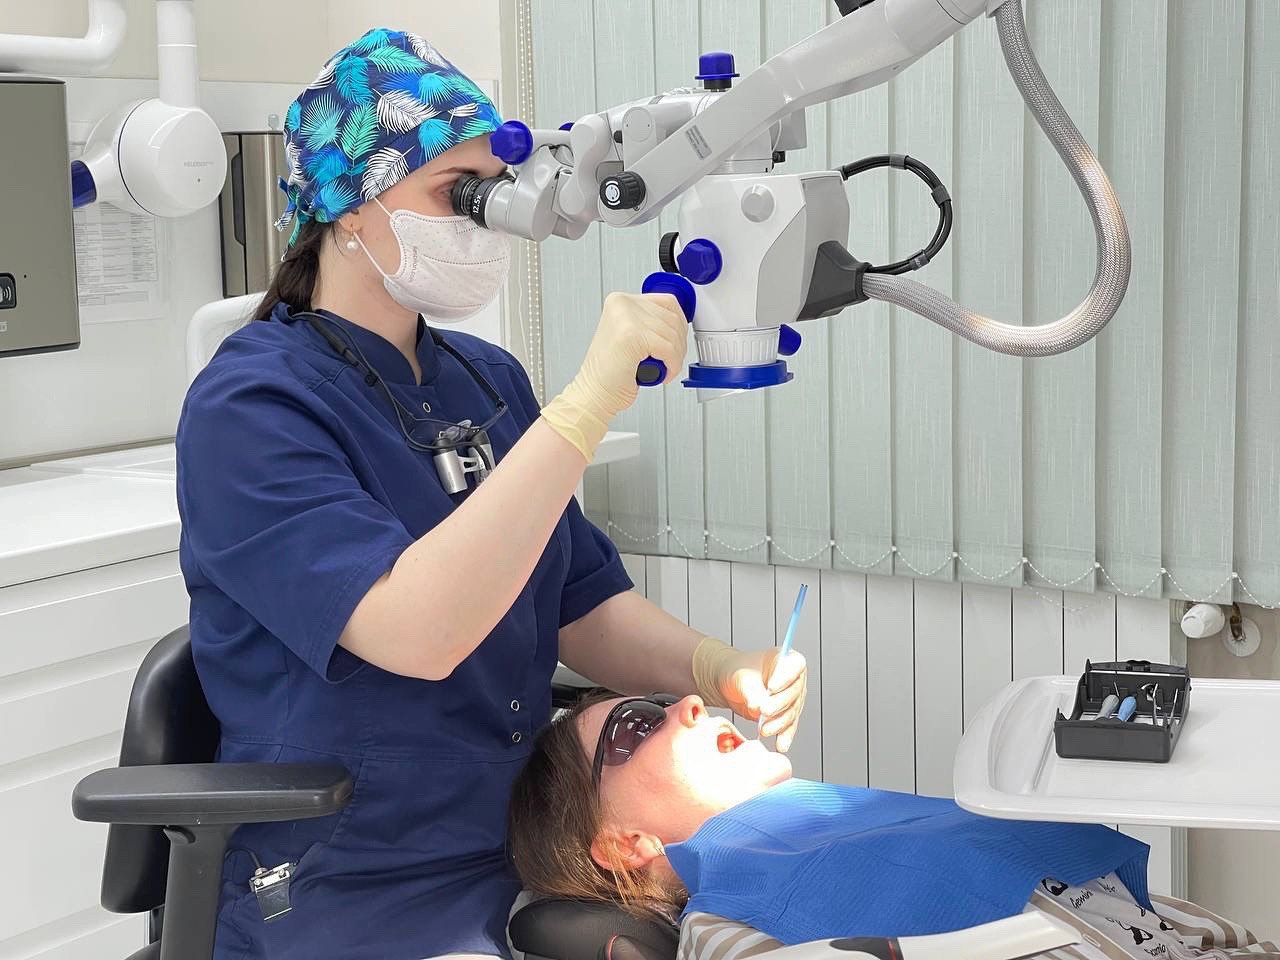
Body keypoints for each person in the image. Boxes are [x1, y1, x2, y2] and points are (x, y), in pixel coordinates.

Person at [175, 29, 808, 960]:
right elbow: (416, 633)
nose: (483, 223)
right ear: (349, 205)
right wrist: (587, 407)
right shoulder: (252, 407)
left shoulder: (485, 379)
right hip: (344, 870)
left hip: (514, 847)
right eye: (455, 196)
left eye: (492, 198)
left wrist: (713, 667)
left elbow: (581, 609)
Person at [507, 693, 1276, 960]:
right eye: (636, 727)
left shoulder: (850, 831)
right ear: (622, 844)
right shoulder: (724, 926)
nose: (689, 704)